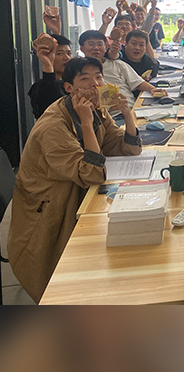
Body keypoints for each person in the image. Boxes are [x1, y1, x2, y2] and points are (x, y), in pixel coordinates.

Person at [8, 56, 143, 302]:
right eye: (85, 79)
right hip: (51, 206)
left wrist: (127, 113)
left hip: (77, 190)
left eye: (98, 77)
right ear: (69, 87)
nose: (95, 84)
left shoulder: (94, 108)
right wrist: (87, 125)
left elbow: (125, 147)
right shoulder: (53, 126)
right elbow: (91, 174)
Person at [79, 30, 163, 111]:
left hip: (133, 109)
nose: (96, 48)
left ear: (105, 48)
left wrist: (153, 89)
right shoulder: (78, 70)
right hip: (112, 115)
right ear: (82, 48)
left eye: (100, 44)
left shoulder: (119, 64)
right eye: (91, 44)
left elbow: (138, 82)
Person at [28, 34, 73, 118]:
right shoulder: (40, 87)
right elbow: (52, 108)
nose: (66, 57)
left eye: (69, 53)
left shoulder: (75, 83)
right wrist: (48, 65)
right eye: (60, 53)